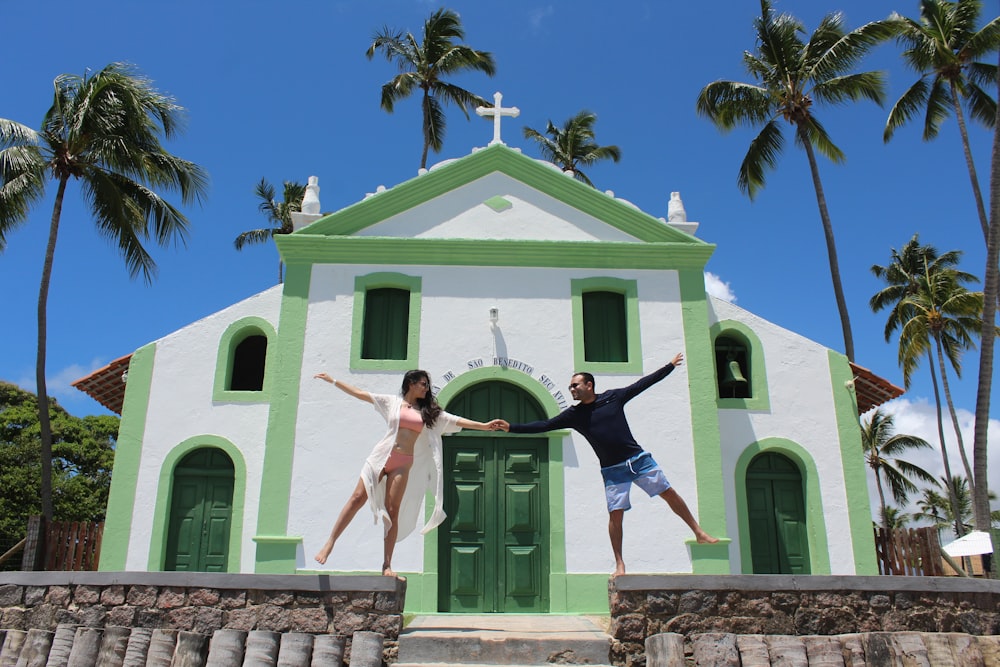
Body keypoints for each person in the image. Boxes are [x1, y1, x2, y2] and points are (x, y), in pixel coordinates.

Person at [496, 353, 718, 575]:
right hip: (613, 471)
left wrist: (669, 366)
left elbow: (642, 384)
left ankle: (698, 532)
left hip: (638, 460)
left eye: (575, 385)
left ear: (589, 385)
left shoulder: (613, 398)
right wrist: (511, 427)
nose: (571, 389)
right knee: (616, 514)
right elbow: (544, 425)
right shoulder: (574, 415)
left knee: (668, 492)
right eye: (570, 387)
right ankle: (620, 563)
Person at [313, 370, 501, 576]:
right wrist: (333, 381)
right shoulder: (391, 402)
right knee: (357, 498)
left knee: (392, 512)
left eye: (427, 385)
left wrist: (483, 426)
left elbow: (455, 420)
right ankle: (330, 542)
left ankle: (387, 565)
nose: (426, 388)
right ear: (410, 383)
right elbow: (360, 393)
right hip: (381, 457)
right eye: (423, 384)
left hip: (403, 463)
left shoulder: (429, 413)